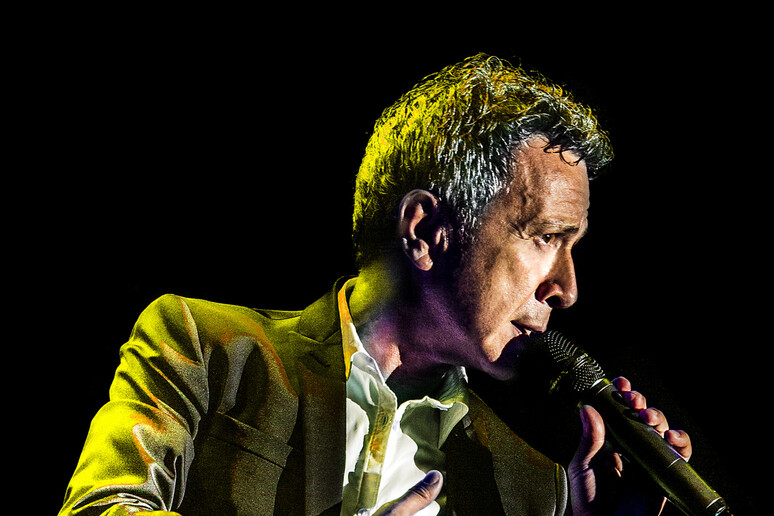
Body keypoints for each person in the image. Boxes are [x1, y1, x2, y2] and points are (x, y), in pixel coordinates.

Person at [59, 53, 693, 515]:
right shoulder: (208, 350)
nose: (567, 288)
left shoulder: (536, 489)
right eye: (546, 237)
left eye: (572, 246)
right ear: (426, 232)